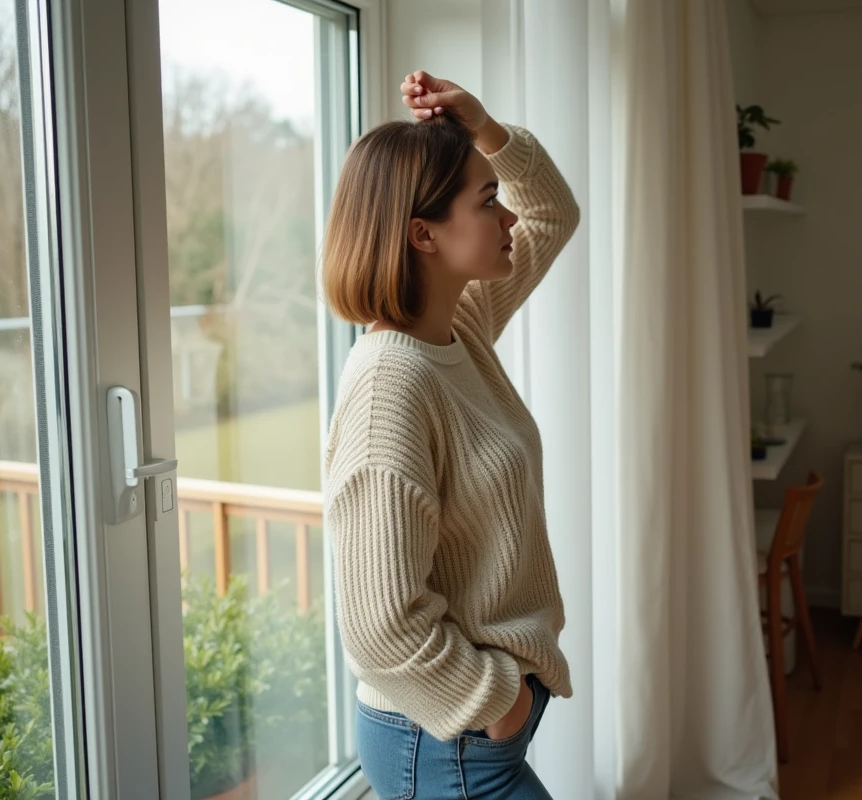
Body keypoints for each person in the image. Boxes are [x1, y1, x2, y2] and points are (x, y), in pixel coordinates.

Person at [321, 70, 579, 799]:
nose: (508, 221)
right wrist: (501, 705)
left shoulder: (456, 328)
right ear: (422, 234)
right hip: (445, 739)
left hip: (470, 728)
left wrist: (484, 126)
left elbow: (552, 212)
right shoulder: (390, 387)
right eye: (488, 201)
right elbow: (380, 625)